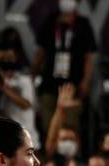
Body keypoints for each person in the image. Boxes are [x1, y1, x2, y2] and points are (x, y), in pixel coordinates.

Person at [32, 0, 97, 134]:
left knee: (70, 125)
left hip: (73, 83)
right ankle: (50, 153)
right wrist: (33, 74)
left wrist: (85, 81)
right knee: (48, 123)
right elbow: (41, 52)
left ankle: (71, 154)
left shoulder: (83, 24)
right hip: (49, 82)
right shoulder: (51, 21)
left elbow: (89, 57)